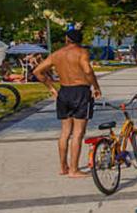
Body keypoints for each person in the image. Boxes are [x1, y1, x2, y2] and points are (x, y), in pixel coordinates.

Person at [33, 28, 102, 178]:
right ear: (80, 40)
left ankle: (63, 167)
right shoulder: (82, 52)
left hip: (64, 92)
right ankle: (74, 170)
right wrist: (96, 87)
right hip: (80, 91)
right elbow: (87, 71)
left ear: (67, 39)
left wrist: (51, 88)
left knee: (65, 132)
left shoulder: (57, 54)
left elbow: (37, 71)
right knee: (78, 132)